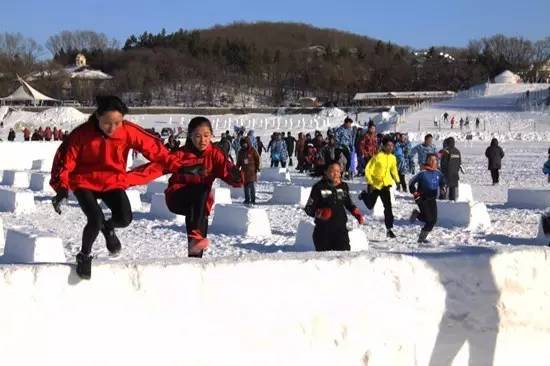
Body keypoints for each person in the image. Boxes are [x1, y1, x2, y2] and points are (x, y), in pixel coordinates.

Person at [49, 96, 185, 280]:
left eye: (117, 123)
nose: (112, 128)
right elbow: (65, 161)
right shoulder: (81, 134)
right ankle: (84, 255)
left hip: (112, 181)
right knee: (95, 219)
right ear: (97, 116)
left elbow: (155, 149)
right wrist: (62, 188)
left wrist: (181, 165)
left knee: (125, 218)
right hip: (84, 182)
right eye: (107, 123)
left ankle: (109, 228)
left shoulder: (128, 131)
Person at [135, 117, 243, 259]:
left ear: (211, 135)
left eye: (206, 135)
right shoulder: (180, 155)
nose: (202, 140)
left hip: (200, 205)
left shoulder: (216, 155)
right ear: (190, 136)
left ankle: (195, 255)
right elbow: (154, 169)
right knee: (201, 190)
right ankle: (195, 239)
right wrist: (123, 180)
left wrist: (237, 176)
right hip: (177, 197)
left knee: (200, 225)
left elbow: (229, 175)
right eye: (197, 136)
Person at [304, 161, 365, 251]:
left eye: (338, 171)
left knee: (343, 259)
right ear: (326, 172)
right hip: (323, 232)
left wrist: (357, 214)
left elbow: (349, 203)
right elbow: (308, 208)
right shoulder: (318, 187)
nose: (336, 173)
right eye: (332, 171)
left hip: (340, 231)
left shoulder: (343, 186)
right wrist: (320, 213)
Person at [359, 137, 400, 238]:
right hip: (375, 185)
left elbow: (393, 169)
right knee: (370, 205)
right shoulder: (377, 157)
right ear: (384, 146)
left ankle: (389, 229)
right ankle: (364, 195)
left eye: (392, 146)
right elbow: (368, 170)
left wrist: (397, 180)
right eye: (388, 146)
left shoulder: (392, 158)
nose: (390, 148)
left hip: (385, 185)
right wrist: (371, 182)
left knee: (388, 207)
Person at [409, 154, 446, 243]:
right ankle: (421, 239)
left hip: (432, 198)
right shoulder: (422, 173)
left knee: (433, 220)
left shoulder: (438, 172)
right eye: (431, 160)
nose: (433, 162)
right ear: (427, 161)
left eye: (435, 160)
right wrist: (414, 192)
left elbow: (442, 181)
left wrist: (442, 188)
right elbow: (411, 183)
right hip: (421, 198)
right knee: (429, 219)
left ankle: (417, 214)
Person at [237, 137, 260, 204]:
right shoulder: (240, 152)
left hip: (251, 171)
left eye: (245, 143)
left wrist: (257, 167)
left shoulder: (252, 150)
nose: (244, 145)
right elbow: (238, 162)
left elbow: (257, 159)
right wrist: (236, 168)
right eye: (243, 144)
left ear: (248, 143)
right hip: (244, 171)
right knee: (245, 186)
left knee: (251, 186)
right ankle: (247, 199)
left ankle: (253, 200)